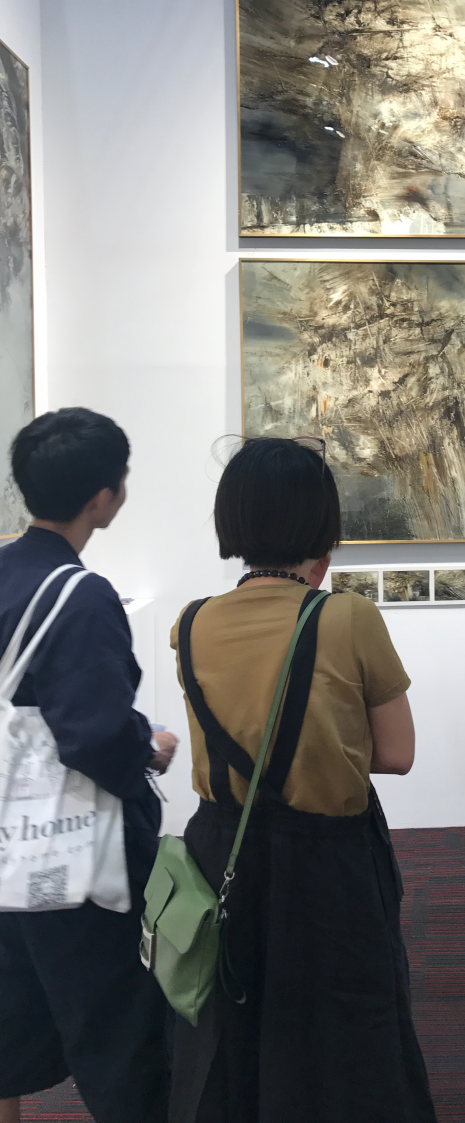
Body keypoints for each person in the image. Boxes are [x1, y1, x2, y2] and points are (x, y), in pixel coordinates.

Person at [168, 436, 437, 1123]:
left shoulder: (191, 623)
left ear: (233, 519)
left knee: (227, 1019)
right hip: (326, 860)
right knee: (342, 1025)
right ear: (323, 524)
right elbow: (398, 752)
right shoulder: (347, 616)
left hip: (219, 852)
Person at [0, 408, 178, 1123]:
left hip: (4, 840)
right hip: (67, 855)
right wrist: (150, 748)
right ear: (104, 497)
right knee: (118, 1031)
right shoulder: (82, 595)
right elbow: (96, 734)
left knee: (10, 1013)